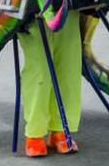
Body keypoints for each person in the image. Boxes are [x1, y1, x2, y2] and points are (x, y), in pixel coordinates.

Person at [18, 10, 82, 157]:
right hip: (31, 2)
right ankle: (35, 132)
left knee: (69, 62)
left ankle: (61, 128)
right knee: (39, 65)